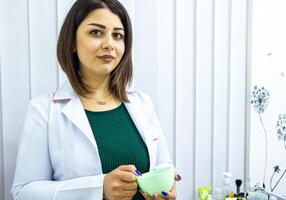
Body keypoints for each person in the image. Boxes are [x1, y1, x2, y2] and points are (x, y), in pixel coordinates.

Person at [11, 0, 180, 199]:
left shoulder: (143, 103)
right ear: (72, 41)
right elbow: (24, 192)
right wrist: (98, 188)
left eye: (117, 35)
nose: (109, 44)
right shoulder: (43, 110)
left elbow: (163, 165)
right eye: (96, 32)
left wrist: (167, 186)